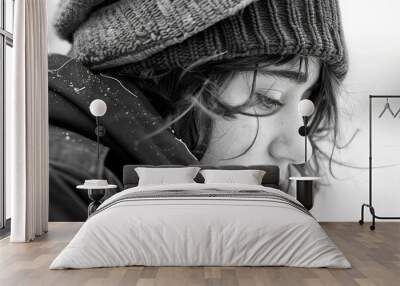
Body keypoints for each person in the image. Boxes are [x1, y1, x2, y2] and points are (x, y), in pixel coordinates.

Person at [48, 0, 348, 221]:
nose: (300, 150)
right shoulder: (62, 191)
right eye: (267, 98)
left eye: (306, 101)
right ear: (166, 80)